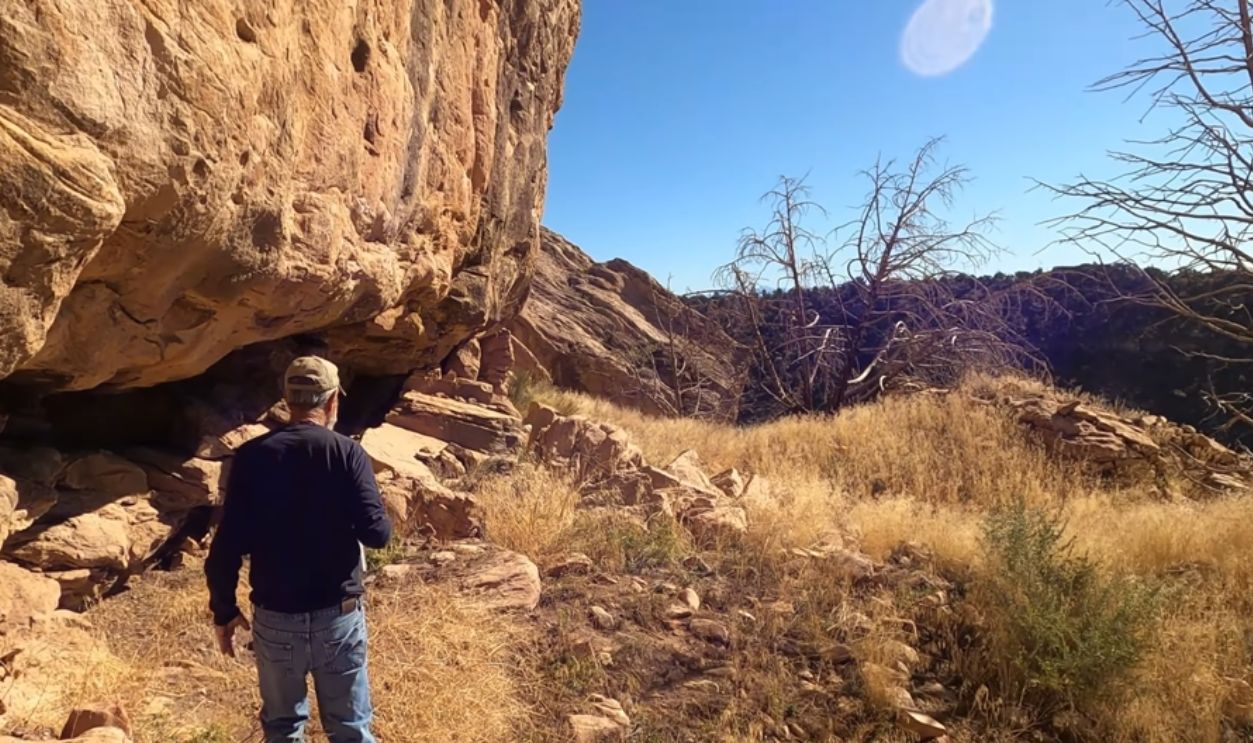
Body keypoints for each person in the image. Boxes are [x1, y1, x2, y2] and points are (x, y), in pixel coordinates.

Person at [206, 356, 392, 743]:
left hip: (275, 620)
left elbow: (227, 546)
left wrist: (224, 611)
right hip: (337, 618)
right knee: (350, 729)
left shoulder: (252, 456)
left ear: (288, 400)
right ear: (332, 402)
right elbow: (377, 535)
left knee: (284, 728)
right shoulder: (347, 454)